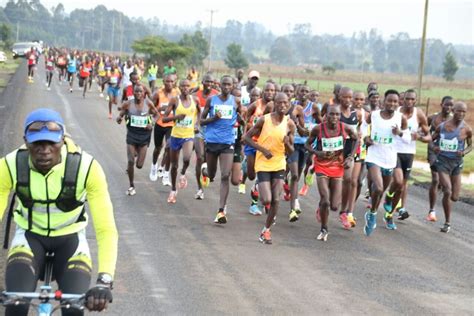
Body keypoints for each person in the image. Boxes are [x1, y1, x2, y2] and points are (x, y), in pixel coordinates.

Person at [0, 108, 118, 315]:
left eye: (51, 143)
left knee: (73, 309)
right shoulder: (10, 165)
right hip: (29, 238)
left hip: (71, 240)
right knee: (15, 305)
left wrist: (104, 280)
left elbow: (106, 229)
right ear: (26, 142)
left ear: (63, 140)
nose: (44, 150)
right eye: (37, 143)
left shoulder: (86, 167)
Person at [244, 92, 296, 244]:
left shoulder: (289, 123)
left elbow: (291, 151)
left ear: (289, 105)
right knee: (266, 199)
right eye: (279, 103)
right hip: (263, 162)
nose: (282, 106)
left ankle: (266, 230)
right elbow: (246, 138)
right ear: (274, 103)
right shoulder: (264, 120)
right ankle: (257, 189)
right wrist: (262, 150)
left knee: (276, 199)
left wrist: (287, 143)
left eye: (285, 103)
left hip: (279, 163)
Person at [305, 105, 359, 241]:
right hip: (321, 166)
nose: (334, 117)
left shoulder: (345, 127)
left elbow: (356, 139)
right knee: (326, 200)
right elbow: (307, 144)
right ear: (326, 115)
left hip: (337, 166)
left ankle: (321, 207)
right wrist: (317, 152)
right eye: (331, 115)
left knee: (334, 206)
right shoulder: (319, 129)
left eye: (337, 115)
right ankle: (324, 228)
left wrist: (350, 157)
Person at [363, 90, 409, 236]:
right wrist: (365, 138)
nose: (392, 104)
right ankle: (372, 214)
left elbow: (407, 138)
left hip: (389, 158)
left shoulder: (401, 118)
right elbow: (364, 126)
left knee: (384, 189)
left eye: (395, 101)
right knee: (377, 188)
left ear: (398, 103)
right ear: (384, 101)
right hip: (373, 156)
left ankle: (383, 202)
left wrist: (400, 133)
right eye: (390, 100)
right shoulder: (374, 115)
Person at [384, 89, 431, 221]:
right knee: (398, 181)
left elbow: (428, 136)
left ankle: (393, 212)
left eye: (412, 99)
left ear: (416, 100)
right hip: (394, 150)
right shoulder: (396, 112)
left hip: (409, 153)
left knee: (403, 185)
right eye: (407, 99)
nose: (409, 101)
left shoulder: (419, 114)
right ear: (402, 100)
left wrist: (420, 137)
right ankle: (388, 195)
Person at [200, 75, 242, 224]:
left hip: (227, 142)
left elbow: (240, 116)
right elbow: (201, 120)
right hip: (212, 141)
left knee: (225, 175)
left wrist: (242, 120)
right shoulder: (212, 100)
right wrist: (213, 119)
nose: (226, 87)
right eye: (223, 84)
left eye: (229, 84)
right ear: (220, 85)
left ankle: (221, 211)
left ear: (232, 86)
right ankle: (204, 171)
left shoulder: (236, 101)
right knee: (211, 175)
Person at [431, 101, 472, 233]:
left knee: (454, 197)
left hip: (456, 164)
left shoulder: (467, 129)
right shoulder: (442, 127)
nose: (461, 114)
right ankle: (447, 222)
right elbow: (431, 140)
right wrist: (435, 147)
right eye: (459, 111)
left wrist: (464, 152)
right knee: (447, 190)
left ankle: (446, 198)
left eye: (464, 112)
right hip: (442, 162)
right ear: (453, 111)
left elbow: (471, 145)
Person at [162, 79, 201, 203]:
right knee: (174, 166)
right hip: (175, 136)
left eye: (187, 86)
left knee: (186, 158)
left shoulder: (195, 100)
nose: (185, 88)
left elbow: (200, 113)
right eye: (183, 86)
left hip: (188, 135)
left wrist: (197, 124)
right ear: (179, 87)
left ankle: (183, 174)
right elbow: (164, 119)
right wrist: (176, 117)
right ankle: (173, 190)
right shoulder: (175, 100)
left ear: (190, 88)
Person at [117, 85, 158, 195]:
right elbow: (121, 113)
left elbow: (157, 115)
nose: (138, 93)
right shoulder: (128, 103)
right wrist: (119, 118)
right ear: (133, 93)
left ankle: (136, 153)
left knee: (139, 165)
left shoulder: (148, 103)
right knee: (131, 161)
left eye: (140, 91)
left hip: (144, 136)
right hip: (132, 134)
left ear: (144, 93)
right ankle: (131, 185)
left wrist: (152, 123)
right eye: (136, 92)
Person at [244, 82, 275, 216]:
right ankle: (246, 165)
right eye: (267, 90)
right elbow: (245, 118)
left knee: (260, 176)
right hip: (252, 142)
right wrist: (246, 130)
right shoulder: (255, 105)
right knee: (251, 174)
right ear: (263, 92)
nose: (269, 92)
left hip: (265, 145)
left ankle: (255, 204)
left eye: (272, 90)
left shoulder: (275, 106)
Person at [426, 96, 453, 221]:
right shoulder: (432, 118)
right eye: (446, 104)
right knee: (435, 179)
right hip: (433, 151)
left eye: (450, 105)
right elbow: (424, 130)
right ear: (441, 104)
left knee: (443, 184)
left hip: (447, 154)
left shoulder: (454, 120)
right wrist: (428, 140)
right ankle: (432, 211)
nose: (448, 107)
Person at [149, 74, 180, 186]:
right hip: (159, 123)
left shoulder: (177, 94)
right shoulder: (158, 93)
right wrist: (159, 109)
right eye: (167, 81)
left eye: (171, 81)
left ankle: (166, 174)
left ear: (174, 82)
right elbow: (150, 109)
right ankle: (154, 166)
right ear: (163, 81)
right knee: (158, 148)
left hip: (171, 124)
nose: (169, 84)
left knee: (169, 147)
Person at [193, 74, 219, 199]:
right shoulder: (196, 95)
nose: (209, 83)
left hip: (212, 130)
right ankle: (199, 188)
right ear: (202, 82)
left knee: (206, 160)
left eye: (211, 81)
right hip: (199, 129)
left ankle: (205, 171)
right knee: (200, 157)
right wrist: (195, 125)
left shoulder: (216, 95)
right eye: (206, 81)